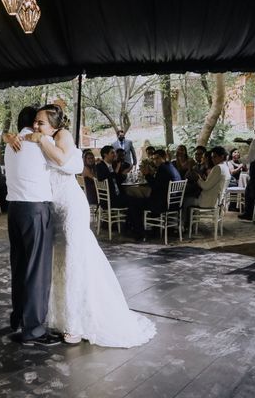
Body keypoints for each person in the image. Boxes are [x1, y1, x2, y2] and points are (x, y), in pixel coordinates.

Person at [11, 104, 156, 347]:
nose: (36, 126)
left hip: (69, 207)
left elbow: (63, 160)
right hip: (51, 208)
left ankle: (75, 323)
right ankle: (56, 316)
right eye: (35, 122)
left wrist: (39, 139)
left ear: (55, 126)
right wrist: (20, 136)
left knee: (74, 260)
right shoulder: (36, 139)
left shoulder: (61, 136)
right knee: (56, 261)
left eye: (41, 123)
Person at [4, 106, 60, 346]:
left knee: (19, 266)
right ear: (35, 124)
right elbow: (66, 162)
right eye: (39, 122)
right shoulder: (41, 142)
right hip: (35, 209)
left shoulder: (10, 144)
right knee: (37, 270)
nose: (40, 126)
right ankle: (34, 330)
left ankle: (17, 318)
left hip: (14, 210)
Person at [184, 146, 231, 212]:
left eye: (215, 157)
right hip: (216, 200)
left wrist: (197, 178)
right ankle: (191, 221)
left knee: (185, 200)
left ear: (222, 156)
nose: (212, 159)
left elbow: (205, 186)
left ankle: (185, 221)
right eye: (212, 157)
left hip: (208, 201)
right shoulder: (225, 167)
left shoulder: (218, 168)